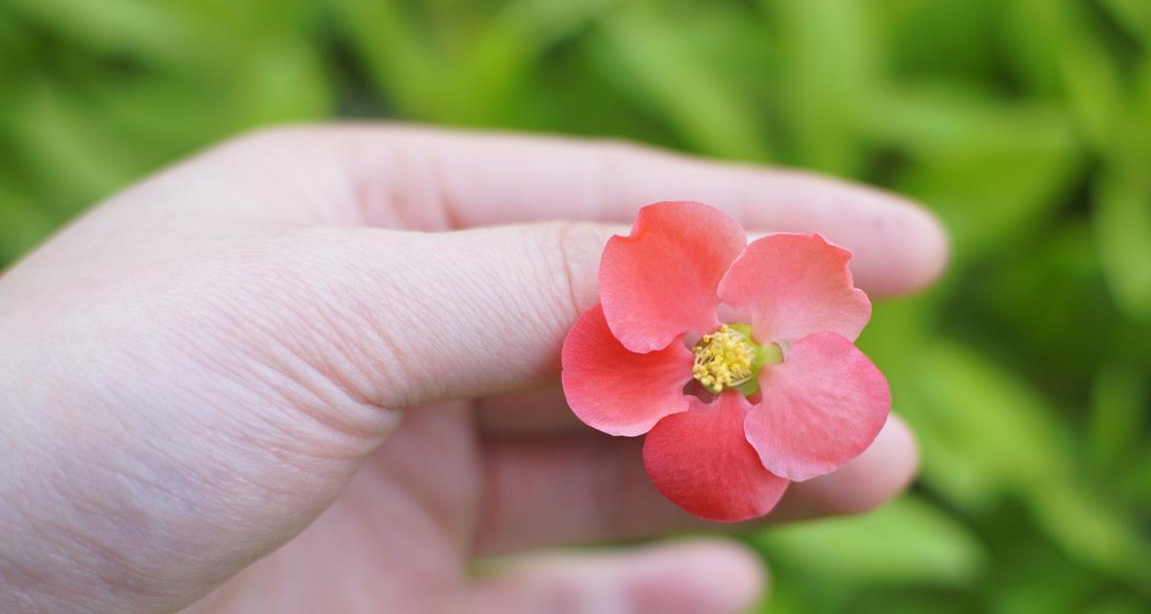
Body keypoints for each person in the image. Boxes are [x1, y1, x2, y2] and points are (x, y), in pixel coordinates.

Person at [0, 125, 948, 613]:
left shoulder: (790, 306)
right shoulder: (676, 307)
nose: (722, 359)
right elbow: (605, 360)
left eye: (732, 359)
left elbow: (811, 288)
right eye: (719, 354)